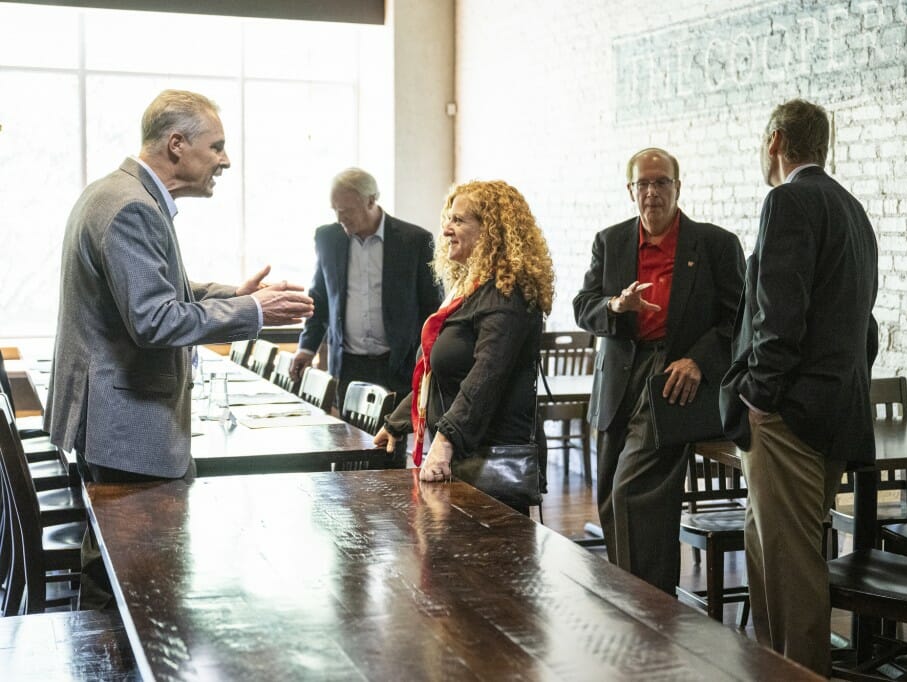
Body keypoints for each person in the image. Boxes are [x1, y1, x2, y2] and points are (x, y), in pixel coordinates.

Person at [44, 89, 313, 606]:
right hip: (129, 427)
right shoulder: (132, 209)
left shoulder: (119, 194)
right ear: (176, 144)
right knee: (137, 581)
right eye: (216, 147)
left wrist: (235, 296)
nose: (225, 160)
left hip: (115, 423)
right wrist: (256, 313)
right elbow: (153, 320)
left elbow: (159, 294)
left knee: (118, 570)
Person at [720, 99, 878, 676]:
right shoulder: (852, 209)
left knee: (789, 572)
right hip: (835, 415)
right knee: (776, 559)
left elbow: (778, 316)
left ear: (776, 141)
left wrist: (760, 396)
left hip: (789, 421)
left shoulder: (788, 200)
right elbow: (866, 328)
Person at [573, 147, 744, 595]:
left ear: (678, 187)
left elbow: (740, 320)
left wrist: (699, 362)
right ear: (630, 190)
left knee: (635, 490)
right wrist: (615, 306)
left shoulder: (714, 245)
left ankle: (646, 607)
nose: (652, 193)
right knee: (611, 498)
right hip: (617, 382)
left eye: (661, 182)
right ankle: (633, 603)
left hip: (672, 382)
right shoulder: (610, 242)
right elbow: (582, 307)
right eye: (643, 184)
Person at [374, 180, 554, 513]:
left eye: (459, 220)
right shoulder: (469, 287)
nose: (446, 230)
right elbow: (439, 374)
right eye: (448, 219)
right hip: (464, 454)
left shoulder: (506, 293)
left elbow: (485, 379)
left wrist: (443, 443)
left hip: (492, 460)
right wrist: (397, 422)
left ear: (492, 230)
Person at [290, 169, 441, 409]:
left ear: (371, 200)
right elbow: (320, 297)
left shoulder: (415, 241)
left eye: (347, 210)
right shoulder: (328, 238)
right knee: (348, 440)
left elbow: (432, 307)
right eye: (335, 210)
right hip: (348, 365)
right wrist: (307, 348)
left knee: (395, 442)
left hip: (399, 364)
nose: (341, 218)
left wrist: (427, 359)